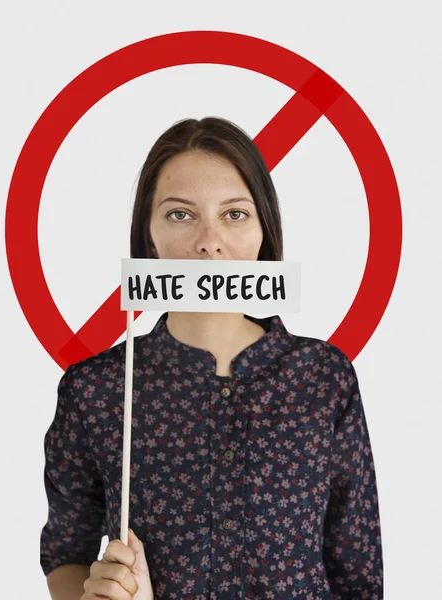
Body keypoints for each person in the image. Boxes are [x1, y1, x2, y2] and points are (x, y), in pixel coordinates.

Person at [40, 117, 384, 599]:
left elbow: (357, 572)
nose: (209, 241)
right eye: (180, 214)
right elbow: (65, 554)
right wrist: (97, 594)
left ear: (265, 229)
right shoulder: (96, 390)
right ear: (149, 236)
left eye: (235, 214)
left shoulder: (324, 376)